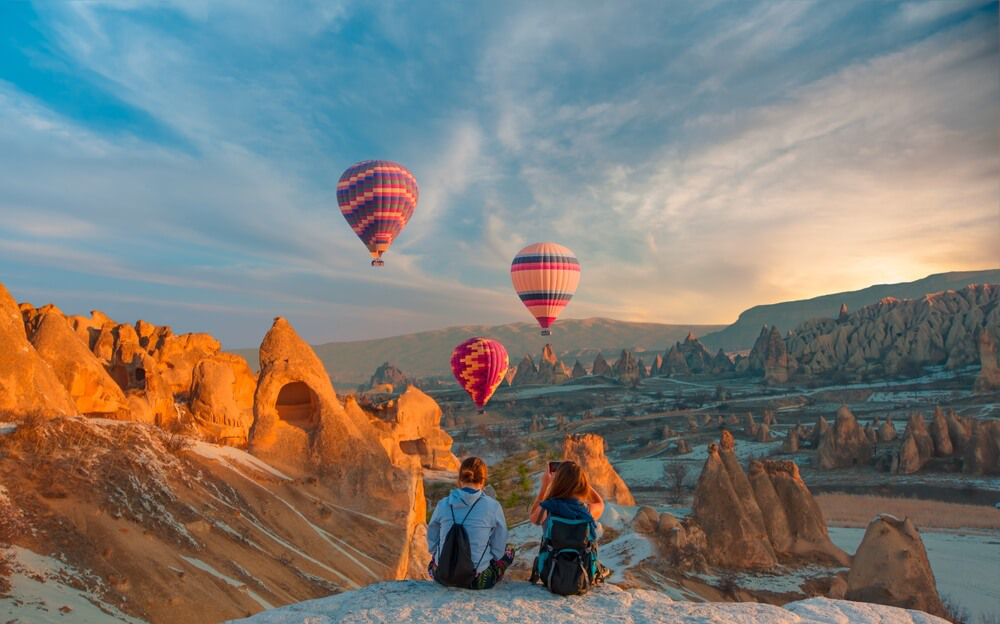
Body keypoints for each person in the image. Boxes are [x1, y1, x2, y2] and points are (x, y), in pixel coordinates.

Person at [427, 457, 515, 589]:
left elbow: (432, 539)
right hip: (477, 580)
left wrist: (439, 554)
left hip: (443, 575)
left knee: (433, 562)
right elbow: (498, 549)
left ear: (460, 479)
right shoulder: (493, 506)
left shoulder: (443, 503)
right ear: (482, 480)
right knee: (510, 549)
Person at [529, 460, 611, 588]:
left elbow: (533, 516)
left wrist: (544, 486)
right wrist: (581, 481)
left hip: (551, 574)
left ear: (557, 483)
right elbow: (600, 503)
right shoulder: (585, 511)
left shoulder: (547, 509)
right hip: (582, 576)